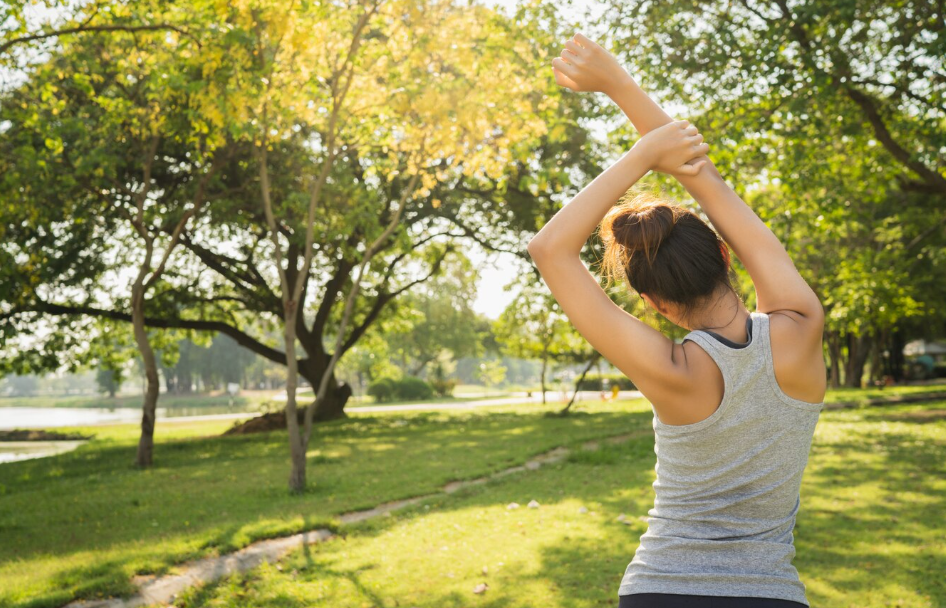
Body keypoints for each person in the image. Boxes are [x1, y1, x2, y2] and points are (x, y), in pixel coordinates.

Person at [527, 34, 827, 608]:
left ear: (655, 304)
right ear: (725, 255)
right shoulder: (801, 326)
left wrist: (640, 156)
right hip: (772, 596)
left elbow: (550, 250)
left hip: (660, 589)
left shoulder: (669, 368)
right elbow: (705, 184)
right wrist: (621, 85)